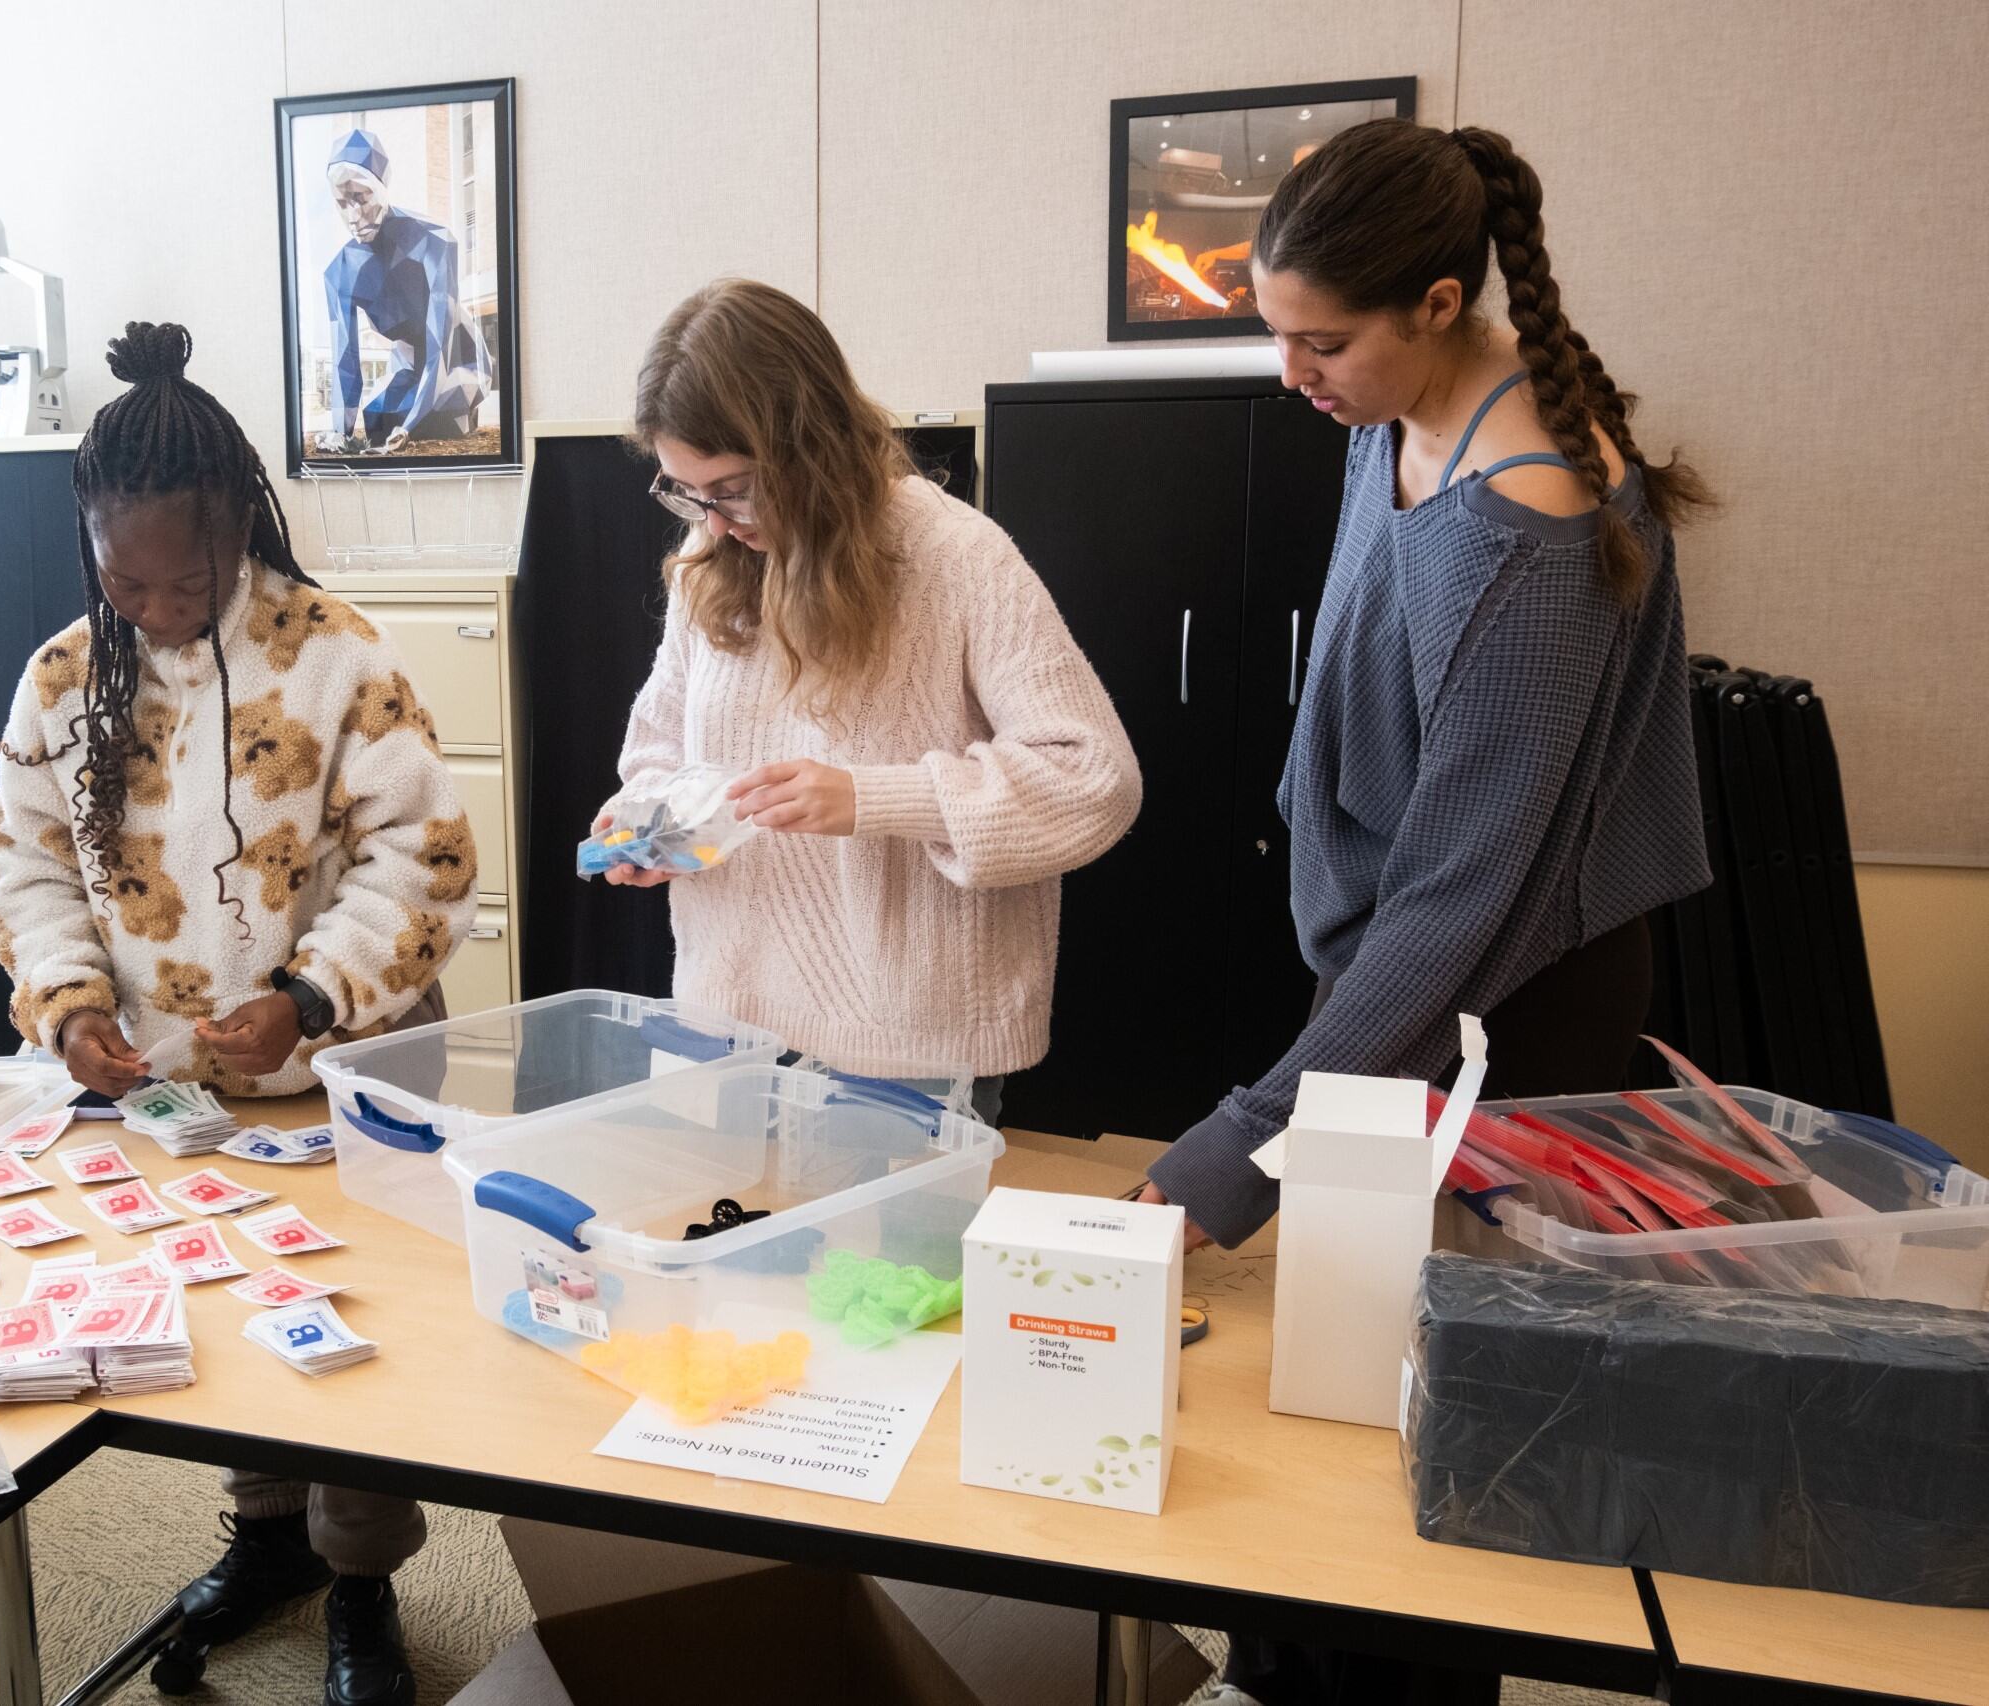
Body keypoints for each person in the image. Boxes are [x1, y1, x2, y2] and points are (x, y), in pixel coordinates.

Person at [1138, 120, 1712, 1706]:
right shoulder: (1392, 418)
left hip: (1504, 1008)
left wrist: (1237, 1146)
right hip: (1400, 962)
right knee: (1333, 1370)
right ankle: (1276, 1670)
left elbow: (1468, 894)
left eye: (1322, 340)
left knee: (1435, 1425)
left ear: (1441, 302)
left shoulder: (1531, 518)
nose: (1293, 371)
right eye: (1278, 330)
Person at [0, 320, 473, 1706]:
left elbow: (422, 854)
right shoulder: (64, 677)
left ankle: (363, 1580)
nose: (143, 601)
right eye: (117, 575)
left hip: (338, 1063)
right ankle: (268, 1536)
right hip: (176, 1084)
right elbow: (25, 857)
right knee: (230, 1306)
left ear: (239, 536)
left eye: (180, 578)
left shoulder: (335, 655)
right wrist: (71, 1002)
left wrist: (313, 995)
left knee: (351, 1325)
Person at [599, 278, 1141, 1116]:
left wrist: (871, 797)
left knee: (883, 1256)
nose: (712, 522)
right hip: (722, 1017)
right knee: (706, 1245)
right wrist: (650, 822)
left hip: (901, 1048)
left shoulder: (958, 557)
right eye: (687, 492)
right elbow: (661, 749)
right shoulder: (710, 570)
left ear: (808, 445)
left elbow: (1092, 780)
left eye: (734, 489)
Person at [315, 126, 491, 454]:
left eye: (361, 198)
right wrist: (341, 432)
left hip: (460, 356)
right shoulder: (340, 272)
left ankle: (447, 412)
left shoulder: (434, 241)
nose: (353, 216)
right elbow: (345, 359)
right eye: (342, 203)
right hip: (409, 365)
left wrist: (408, 429)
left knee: (441, 413)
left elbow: (441, 341)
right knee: (377, 419)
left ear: (383, 186)